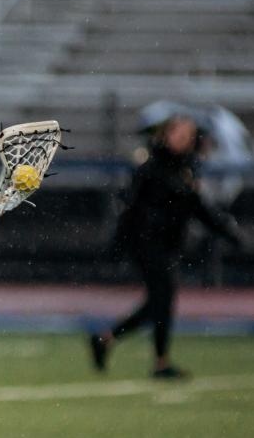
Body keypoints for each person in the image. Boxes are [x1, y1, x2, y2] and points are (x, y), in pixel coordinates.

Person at [89, 115, 245, 379]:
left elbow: (197, 208)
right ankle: (156, 361)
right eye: (179, 134)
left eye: (188, 136)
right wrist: (119, 243)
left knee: (159, 302)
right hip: (146, 242)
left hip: (168, 243)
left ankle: (109, 340)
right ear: (167, 135)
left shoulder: (187, 168)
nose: (183, 140)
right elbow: (132, 207)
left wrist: (227, 232)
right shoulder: (152, 167)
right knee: (162, 299)